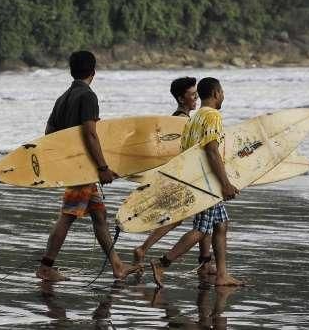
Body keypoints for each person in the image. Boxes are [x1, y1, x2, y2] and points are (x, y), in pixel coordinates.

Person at [36, 50, 141, 282]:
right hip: (82, 168)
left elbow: (49, 134)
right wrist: (103, 167)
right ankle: (45, 267)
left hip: (75, 165)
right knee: (67, 216)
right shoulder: (88, 96)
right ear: (94, 71)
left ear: (71, 71)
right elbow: (91, 134)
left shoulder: (63, 98)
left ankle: (117, 266)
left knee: (99, 216)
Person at [149, 77, 244, 287]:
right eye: (222, 92)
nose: (224, 96)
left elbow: (185, 151)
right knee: (202, 229)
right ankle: (162, 263)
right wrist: (225, 183)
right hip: (206, 182)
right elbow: (211, 150)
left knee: (221, 224)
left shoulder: (194, 118)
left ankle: (221, 275)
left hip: (196, 178)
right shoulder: (212, 116)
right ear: (216, 93)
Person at [133, 77, 218, 275]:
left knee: (200, 218)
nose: (196, 97)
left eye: (197, 93)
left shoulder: (181, 118)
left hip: (183, 176)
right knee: (190, 220)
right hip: (184, 177)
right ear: (181, 98)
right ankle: (144, 249)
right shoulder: (180, 121)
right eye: (192, 94)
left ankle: (205, 262)